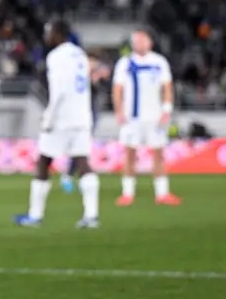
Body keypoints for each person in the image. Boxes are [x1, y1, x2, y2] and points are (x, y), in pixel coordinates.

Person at [15, 20, 101, 228]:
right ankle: (91, 215)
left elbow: (59, 90)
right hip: (81, 116)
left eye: (48, 32)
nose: (46, 36)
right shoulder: (79, 54)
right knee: (82, 162)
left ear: (57, 34)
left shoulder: (56, 56)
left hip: (62, 118)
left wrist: (49, 117)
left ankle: (35, 216)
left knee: (44, 161)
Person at [113, 30, 181, 206]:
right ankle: (127, 193)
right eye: (136, 41)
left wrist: (167, 108)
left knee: (158, 153)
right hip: (131, 116)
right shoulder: (125, 63)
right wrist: (119, 110)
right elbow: (118, 88)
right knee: (129, 153)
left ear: (150, 43)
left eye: (143, 40)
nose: (140, 44)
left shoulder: (159, 62)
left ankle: (162, 193)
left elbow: (167, 86)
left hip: (155, 116)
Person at [60, 52, 110, 193]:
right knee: (79, 147)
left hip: (90, 113)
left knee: (84, 147)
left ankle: (78, 177)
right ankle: (71, 176)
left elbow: (103, 89)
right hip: (78, 114)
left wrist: (98, 79)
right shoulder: (77, 76)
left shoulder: (95, 77)